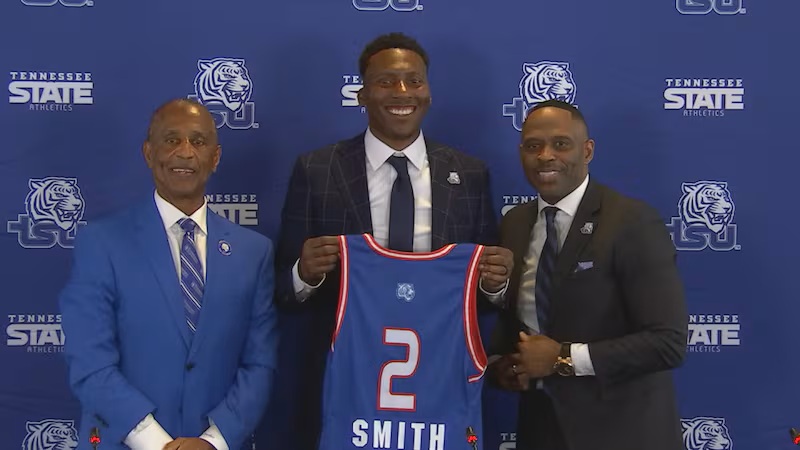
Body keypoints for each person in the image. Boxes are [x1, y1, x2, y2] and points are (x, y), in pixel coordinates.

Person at [274, 32, 513, 450]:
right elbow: (281, 289)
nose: (402, 92)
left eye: (414, 81)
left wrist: (495, 284)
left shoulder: (470, 174)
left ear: (429, 92)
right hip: (350, 390)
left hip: (439, 388)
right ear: (362, 94)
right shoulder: (317, 169)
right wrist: (303, 274)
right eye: (386, 82)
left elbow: (482, 294)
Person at [59, 99, 278, 450]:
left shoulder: (254, 252)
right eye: (172, 140)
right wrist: (157, 443)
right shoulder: (101, 244)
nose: (185, 152)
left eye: (198, 141)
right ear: (149, 153)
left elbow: (259, 364)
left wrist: (213, 441)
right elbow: (90, 363)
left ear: (215, 157)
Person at [487, 99, 688, 450]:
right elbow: (521, 322)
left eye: (560, 144)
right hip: (540, 431)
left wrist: (562, 358)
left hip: (622, 434)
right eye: (533, 146)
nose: (546, 155)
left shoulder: (632, 222)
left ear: (588, 150)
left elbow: (668, 343)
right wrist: (503, 366)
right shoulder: (515, 223)